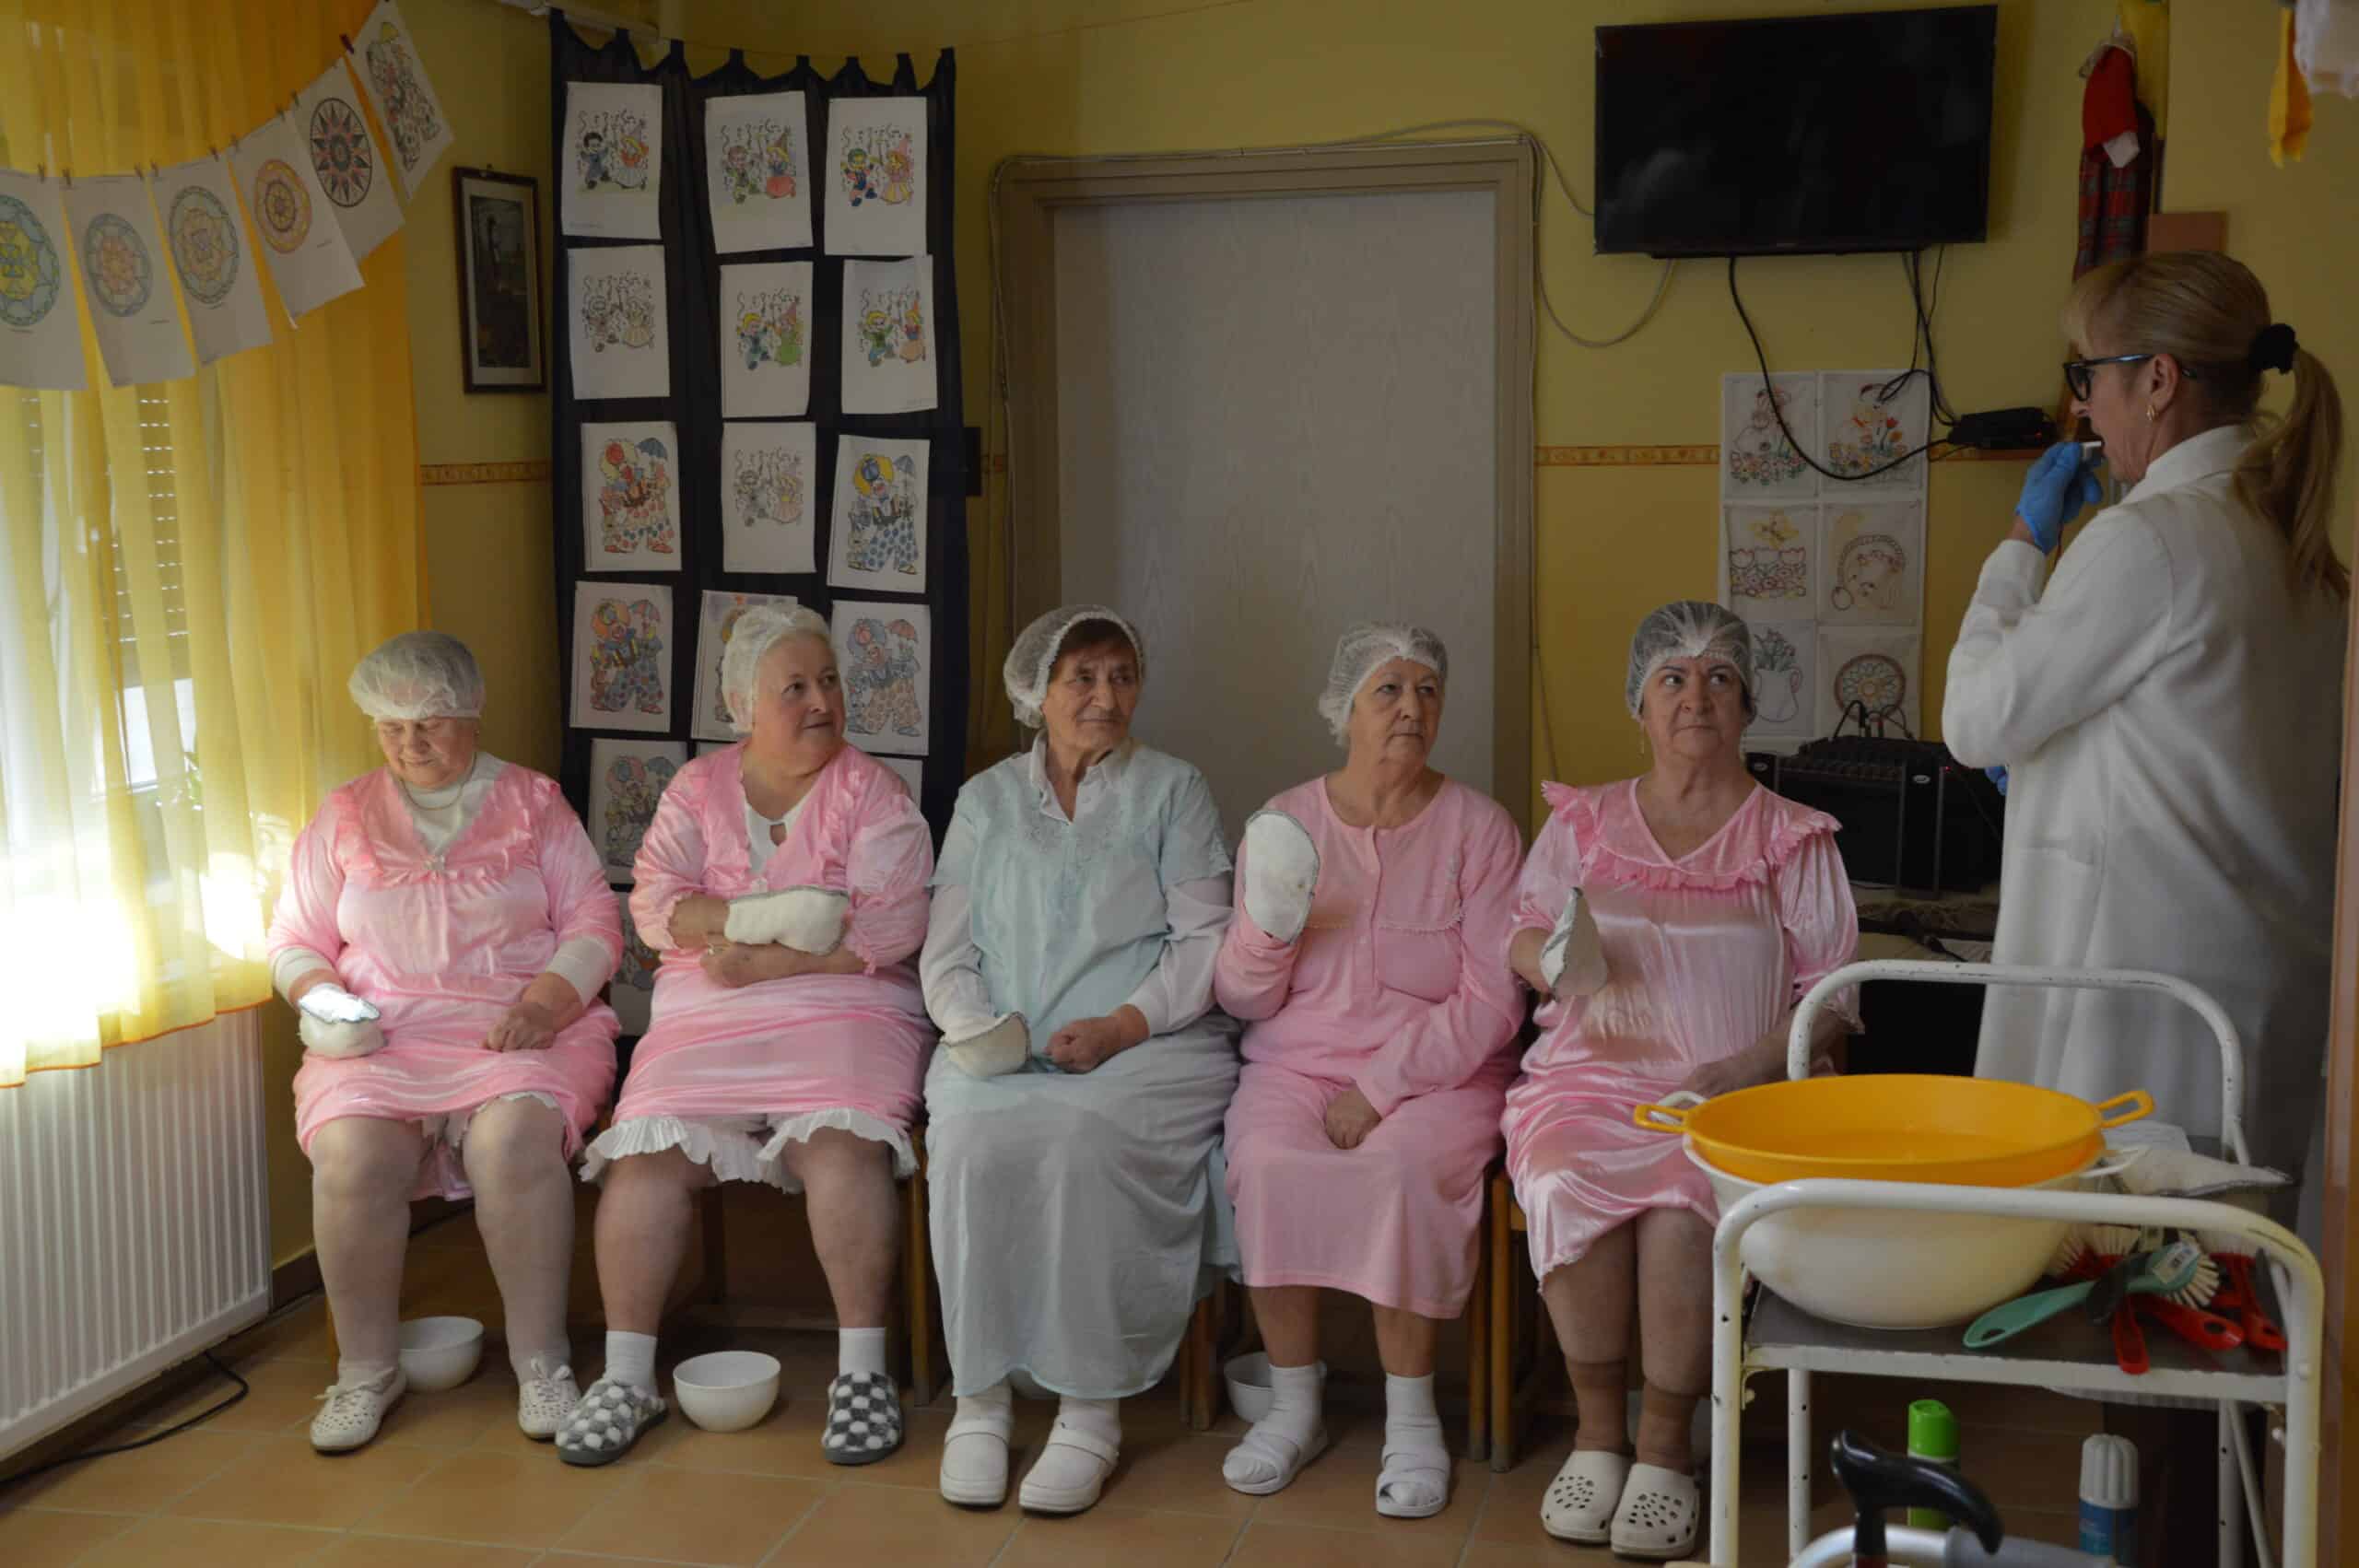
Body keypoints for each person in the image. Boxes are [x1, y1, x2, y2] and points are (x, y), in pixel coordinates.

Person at [1943, 251, 2345, 1568]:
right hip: (2253, 996)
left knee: (2159, 1345)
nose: (2084, 408)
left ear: (2157, 380)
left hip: (2153, 1013)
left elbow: (1974, 717)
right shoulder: (2295, 547)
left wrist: (2018, 549)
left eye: (2090, 377)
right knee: (2215, 1347)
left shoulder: (2147, 541)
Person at [1505, 603, 1858, 1562]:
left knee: (1679, 1206)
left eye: (1718, 678)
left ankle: (1665, 1447)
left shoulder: (1791, 836)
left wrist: (1737, 1070)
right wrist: (1553, 960)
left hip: (1733, 1099)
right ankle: (1596, 1437)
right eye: (1672, 677)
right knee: (1565, 1178)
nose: (1695, 696)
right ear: (1640, 704)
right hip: (1585, 1080)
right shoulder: (1582, 820)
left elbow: (1833, 997)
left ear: (1746, 705)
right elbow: (1522, 929)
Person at [558, 606, 934, 1468]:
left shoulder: (872, 793)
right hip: (708, 1011)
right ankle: (626, 1378)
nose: (821, 702)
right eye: (794, 688)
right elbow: (657, 907)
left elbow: (891, 926)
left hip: (848, 1006)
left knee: (842, 1144)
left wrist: (757, 954)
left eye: (829, 681)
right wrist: (791, 918)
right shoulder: (698, 789)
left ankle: (862, 1374)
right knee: (646, 1154)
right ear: (744, 707)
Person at [267, 632, 621, 1453]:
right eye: (390, 727)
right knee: (350, 1155)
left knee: (513, 1143)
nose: (409, 745)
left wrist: (545, 1005)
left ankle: (542, 1363)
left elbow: (595, 922)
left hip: (521, 1024)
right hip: (386, 1035)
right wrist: (326, 1003)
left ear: (471, 714)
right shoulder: (344, 812)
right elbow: (294, 938)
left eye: (428, 724)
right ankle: (366, 1372)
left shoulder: (532, 803)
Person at [921, 604, 1238, 1515]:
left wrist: (1121, 1026)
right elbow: (947, 951)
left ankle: (1089, 1409)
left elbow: (1203, 943)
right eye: (1082, 677)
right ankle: (981, 1397)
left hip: (1150, 1042)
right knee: (969, 1139)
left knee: (1078, 1137)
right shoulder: (985, 800)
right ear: (1038, 691)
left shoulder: (1174, 789)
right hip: (1004, 1041)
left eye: (1122, 676)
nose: (1106, 695)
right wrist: (979, 1031)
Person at [1213, 624, 1523, 1517]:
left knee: (1400, 1172)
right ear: (1343, 709)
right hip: (1296, 1066)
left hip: (1442, 1075)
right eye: (1388, 689)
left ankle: (1412, 1421)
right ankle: (1293, 1406)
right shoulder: (1284, 823)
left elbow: (1493, 999)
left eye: (1427, 690)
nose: (1410, 707)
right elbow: (1241, 997)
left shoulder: (1480, 829)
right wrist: (1268, 930)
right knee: (1267, 1162)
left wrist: (1380, 1088)